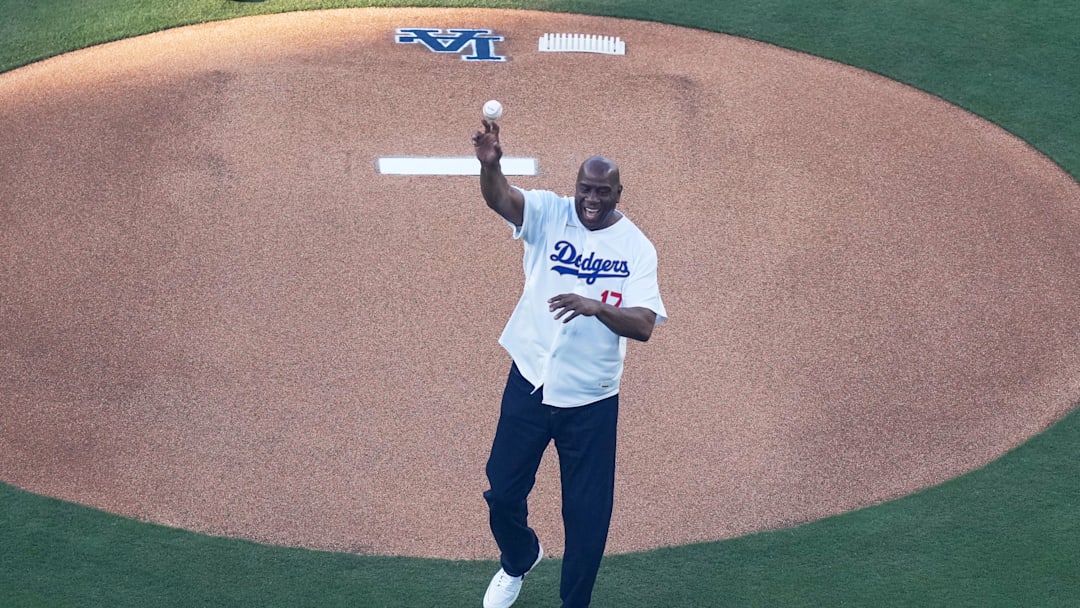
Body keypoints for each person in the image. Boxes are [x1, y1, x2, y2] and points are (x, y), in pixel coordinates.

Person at [472, 119, 667, 608]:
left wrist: (597, 307)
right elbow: (501, 200)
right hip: (531, 381)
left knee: (586, 518)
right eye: (585, 189)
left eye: (603, 191)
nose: (592, 200)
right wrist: (491, 166)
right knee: (501, 493)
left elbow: (643, 324)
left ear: (619, 193)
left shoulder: (637, 249)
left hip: (591, 400)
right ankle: (519, 558)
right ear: (575, 187)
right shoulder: (549, 213)